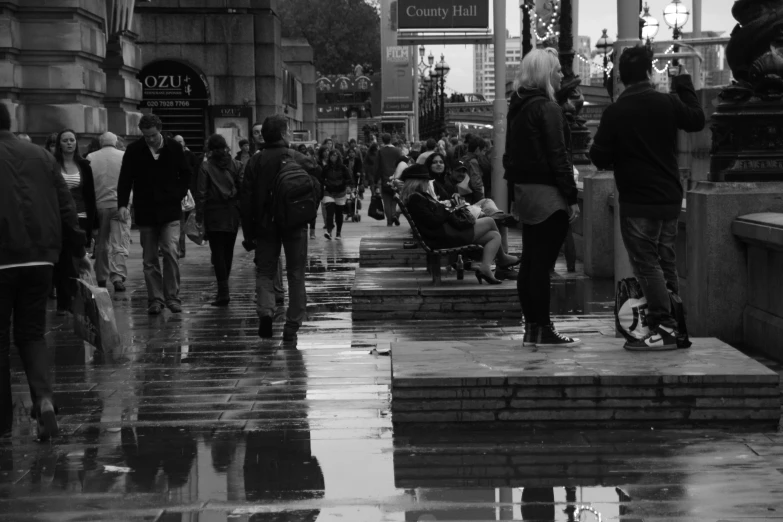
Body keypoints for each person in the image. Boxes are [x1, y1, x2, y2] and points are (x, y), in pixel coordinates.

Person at [590, 45, 705, 351]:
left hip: (638, 200)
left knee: (646, 265)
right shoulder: (667, 103)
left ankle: (663, 326)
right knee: (665, 262)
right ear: (647, 72)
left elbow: (598, 155)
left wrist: (622, 153)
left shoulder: (616, 112)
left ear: (621, 78)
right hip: (668, 198)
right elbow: (696, 119)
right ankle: (676, 328)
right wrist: (684, 85)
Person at [0, 102, 92, 440]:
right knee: (32, 332)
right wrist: (78, 250)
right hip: (40, 258)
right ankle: (43, 400)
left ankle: (3, 420)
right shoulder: (40, 156)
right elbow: (66, 205)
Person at [506, 48, 581, 347]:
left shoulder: (519, 108)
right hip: (548, 195)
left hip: (526, 194)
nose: (563, 75)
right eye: (558, 70)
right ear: (545, 74)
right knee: (542, 265)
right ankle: (544, 328)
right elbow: (558, 157)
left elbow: (510, 157)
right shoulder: (549, 109)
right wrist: (571, 196)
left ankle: (532, 328)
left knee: (530, 264)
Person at [241, 114, 318, 342]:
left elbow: (245, 201)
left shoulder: (255, 162)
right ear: (284, 134)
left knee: (265, 272)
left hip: (265, 226)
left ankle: (266, 311)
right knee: (296, 273)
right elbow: (315, 190)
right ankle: (292, 325)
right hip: (294, 224)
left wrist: (248, 233)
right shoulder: (299, 159)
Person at [117, 113, 191, 315]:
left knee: (170, 251)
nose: (149, 139)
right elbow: (125, 178)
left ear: (160, 130)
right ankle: (155, 299)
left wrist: (178, 194)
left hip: (169, 209)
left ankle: (172, 297)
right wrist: (122, 204)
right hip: (146, 209)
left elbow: (186, 174)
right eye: (146, 135)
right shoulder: (134, 150)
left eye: (152, 135)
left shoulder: (174, 148)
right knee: (149, 258)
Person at [399, 164, 519, 284]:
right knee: (490, 221)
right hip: (443, 235)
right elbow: (433, 221)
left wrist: (446, 207)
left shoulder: (418, 197)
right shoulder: (416, 199)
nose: (427, 184)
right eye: (425, 181)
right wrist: (447, 209)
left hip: (444, 233)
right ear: (418, 182)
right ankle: (502, 259)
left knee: (494, 235)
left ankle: (486, 268)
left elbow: (433, 216)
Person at [53, 128, 97, 315]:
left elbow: (90, 195)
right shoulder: (53, 164)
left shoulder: (84, 165)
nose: (69, 143)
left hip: (82, 217)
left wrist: (95, 224)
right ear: (59, 144)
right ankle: (64, 300)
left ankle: (81, 298)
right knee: (64, 260)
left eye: (72, 140)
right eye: (65, 140)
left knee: (79, 258)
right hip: (60, 218)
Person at [196, 134, 243, 307]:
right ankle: (224, 288)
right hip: (231, 212)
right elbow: (243, 188)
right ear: (226, 147)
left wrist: (199, 217)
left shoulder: (205, 167)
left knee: (217, 252)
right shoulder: (237, 164)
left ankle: (223, 291)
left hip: (213, 212)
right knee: (228, 251)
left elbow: (201, 193)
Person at [86, 132, 129, 292]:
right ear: (116, 142)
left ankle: (101, 277)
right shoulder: (124, 156)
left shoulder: (90, 157)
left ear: (101, 143)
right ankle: (118, 276)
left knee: (101, 243)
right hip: (120, 205)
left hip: (99, 205)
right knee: (119, 243)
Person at [173, 135, 199, 258]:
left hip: (184, 193)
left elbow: (194, 171)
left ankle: (181, 249)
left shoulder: (189, 156)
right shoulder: (170, 155)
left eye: (180, 141)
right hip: (173, 194)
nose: (178, 143)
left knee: (181, 224)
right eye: (176, 142)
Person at [322, 150, 353, 240]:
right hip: (329, 192)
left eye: (335, 155)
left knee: (339, 214)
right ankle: (328, 231)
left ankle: (338, 233)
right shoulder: (326, 168)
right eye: (331, 155)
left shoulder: (343, 168)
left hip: (340, 192)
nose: (333, 157)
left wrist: (344, 184)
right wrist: (326, 183)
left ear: (338, 157)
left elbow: (349, 179)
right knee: (330, 212)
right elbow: (321, 178)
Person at [376, 133, 405, 226]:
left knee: (386, 201)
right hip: (396, 177)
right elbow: (402, 163)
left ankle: (389, 221)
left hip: (385, 178)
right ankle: (394, 215)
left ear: (383, 140)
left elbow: (378, 166)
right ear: (391, 139)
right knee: (395, 200)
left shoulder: (380, 151)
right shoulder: (398, 151)